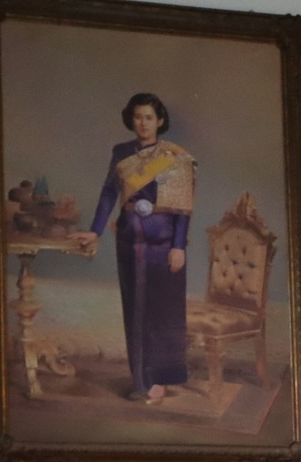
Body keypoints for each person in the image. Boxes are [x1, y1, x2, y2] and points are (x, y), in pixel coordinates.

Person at [71, 93, 194, 404]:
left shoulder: (175, 157)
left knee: (162, 312)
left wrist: (178, 246)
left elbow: (182, 208)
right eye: (138, 117)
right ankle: (140, 380)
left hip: (163, 245)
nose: (143, 123)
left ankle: (160, 380)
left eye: (149, 118)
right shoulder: (121, 153)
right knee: (135, 311)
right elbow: (108, 194)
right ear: (132, 119)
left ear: (160, 121)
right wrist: (95, 230)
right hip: (129, 242)